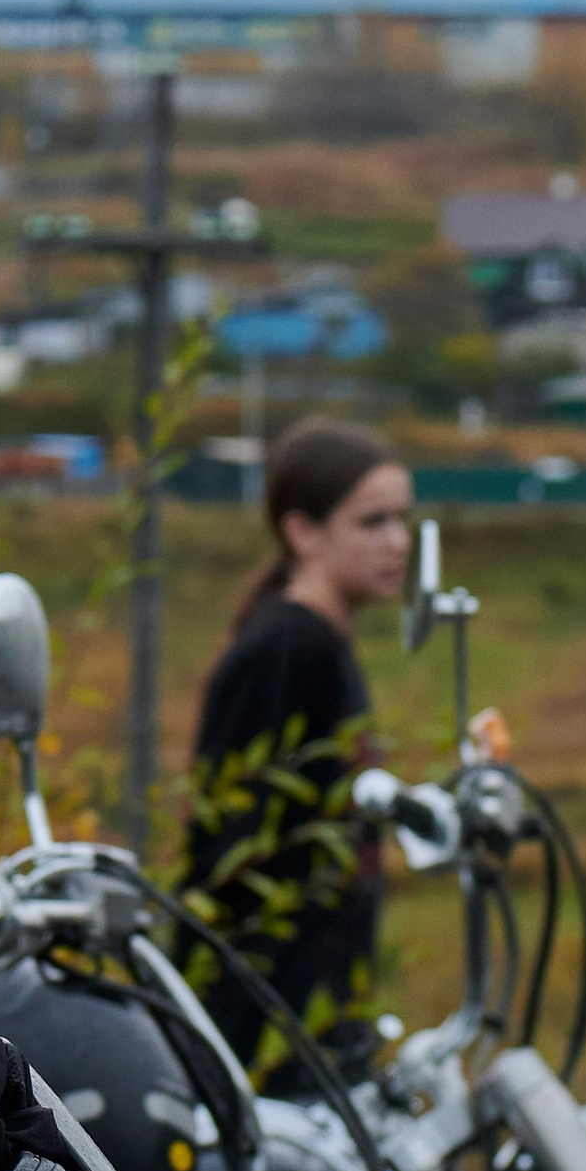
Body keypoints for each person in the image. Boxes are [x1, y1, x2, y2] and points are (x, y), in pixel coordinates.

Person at [181, 417, 412, 1076]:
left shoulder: (317, 640)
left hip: (313, 997)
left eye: (402, 518)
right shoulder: (288, 647)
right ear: (302, 531)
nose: (397, 541)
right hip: (270, 1007)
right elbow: (237, 851)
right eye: (372, 522)